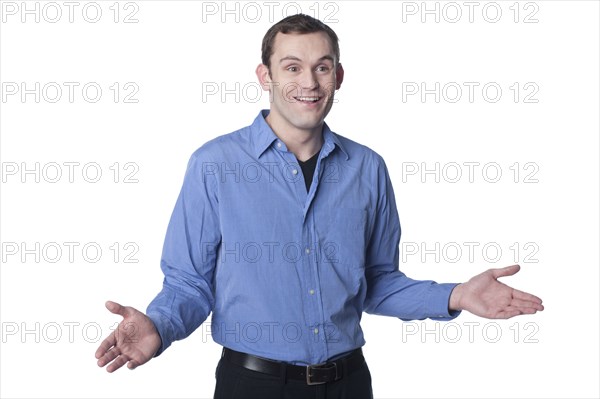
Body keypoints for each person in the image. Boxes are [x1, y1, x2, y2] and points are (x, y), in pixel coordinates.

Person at [95, 14, 544, 399]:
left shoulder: (367, 168)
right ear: (265, 75)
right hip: (252, 385)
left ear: (339, 77)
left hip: (349, 383)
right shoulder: (214, 165)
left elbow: (377, 283)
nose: (308, 83)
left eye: (322, 68)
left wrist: (456, 295)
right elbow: (189, 282)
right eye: (292, 67)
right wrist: (160, 325)